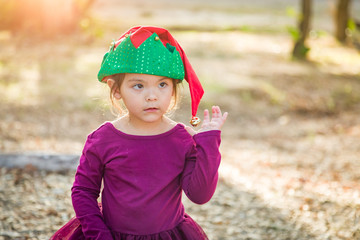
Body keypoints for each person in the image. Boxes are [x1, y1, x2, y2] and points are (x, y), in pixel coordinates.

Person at [50, 26, 227, 240]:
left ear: (173, 89)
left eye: (162, 84)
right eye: (138, 86)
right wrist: (99, 234)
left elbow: (200, 195)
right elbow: (83, 192)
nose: (152, 96)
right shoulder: (103, 139)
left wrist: (207, 144)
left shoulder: (181, 139)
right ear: (117, 91)